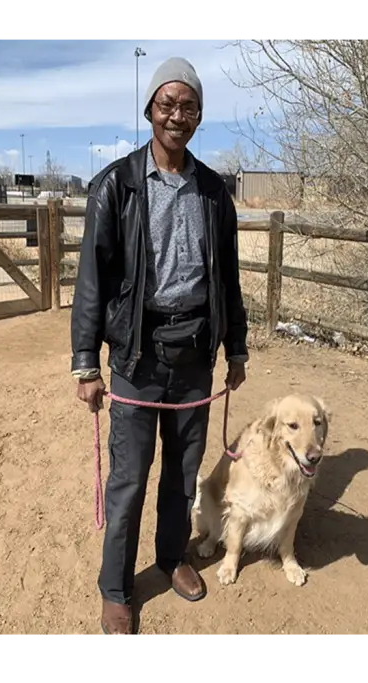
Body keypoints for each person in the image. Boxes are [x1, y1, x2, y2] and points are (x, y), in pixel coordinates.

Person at [70, 56, 250, 637]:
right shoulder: (116, 186)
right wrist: (85, 363)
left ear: (199, 115)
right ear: (149, 110)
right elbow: (93, 281)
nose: (177, 115)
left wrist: (237, 347)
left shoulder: (214, 194)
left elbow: (229, 278)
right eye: (167, 104)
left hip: (196, 352)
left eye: (188, 105)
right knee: (129, 478)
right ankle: (117, 589)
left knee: (182, 474)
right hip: (137, 356)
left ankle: (172, 558)